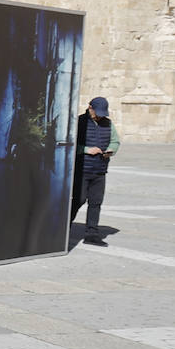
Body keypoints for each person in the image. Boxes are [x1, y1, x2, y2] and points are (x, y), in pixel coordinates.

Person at [72, 95, 120, 246]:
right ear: (90, 108)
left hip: (100, 170)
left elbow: (115, 141)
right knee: (78, 200)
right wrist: (86, 150)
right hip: (82, 169)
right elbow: (71, 144)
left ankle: (91, 234)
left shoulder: (108, 124)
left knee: (96, 202)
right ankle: (63, 227)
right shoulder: (79, 122)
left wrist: (111, 150)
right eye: (96, 113)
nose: (99, 117)